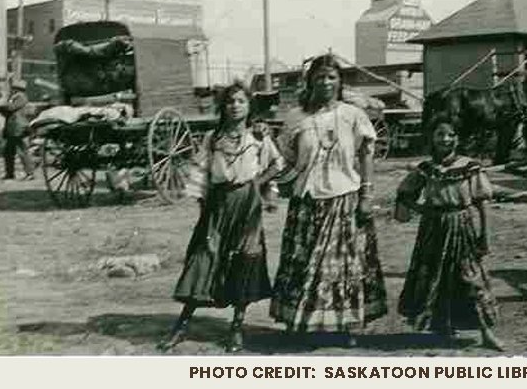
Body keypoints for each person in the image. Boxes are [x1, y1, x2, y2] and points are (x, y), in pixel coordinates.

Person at [158, 81, 284, 353]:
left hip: (247, 206)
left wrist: (257, 184)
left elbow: (277, 163)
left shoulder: (258, 137)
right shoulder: (212, 139)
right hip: (218, 205)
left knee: (244, 260)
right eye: (230, 102)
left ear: (249, 106)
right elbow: (201, 176)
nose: (235, 106)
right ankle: (181, 326)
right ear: (223, 107)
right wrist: (205, 211)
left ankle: (236, 328)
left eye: (241, 101)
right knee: (204, 259)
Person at [270, 54, 387, 339]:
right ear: (311, 81)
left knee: (345, 267)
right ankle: (297, 323)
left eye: (331, 77)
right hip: (307, 201)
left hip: (344, 198)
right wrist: (271, 185)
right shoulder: (297, 117)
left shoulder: (353, 115)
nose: (325, 82)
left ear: (339, 81)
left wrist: (366, 195)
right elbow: (283, 157)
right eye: (320, 76)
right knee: (303, 263)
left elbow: (366, 154)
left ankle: (345, 325)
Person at [394, 118, 505, 351]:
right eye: (440, 135)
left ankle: (486, 333)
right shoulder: (426, 168)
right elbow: (405, 193)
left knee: (471, 279)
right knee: (436, 278)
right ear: (432, 138)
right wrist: (423, 210)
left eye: (450, 134)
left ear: (458, 138)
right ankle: (443, 328)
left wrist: (484, 234)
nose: (445, 139)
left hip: (461, 227)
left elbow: (482, 203)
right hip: (433, 230)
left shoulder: (469, 167)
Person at [0, 79, 35, 180]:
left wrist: (0, 107)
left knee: (22, 151)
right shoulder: (15, 97)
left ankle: (30, 173)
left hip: (18, 127)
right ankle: (9, 173)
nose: (12, 90)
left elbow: (11, 108)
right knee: (8, 152)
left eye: (14, 88)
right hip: (12, 128)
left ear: (17, 89)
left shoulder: (21, 97)